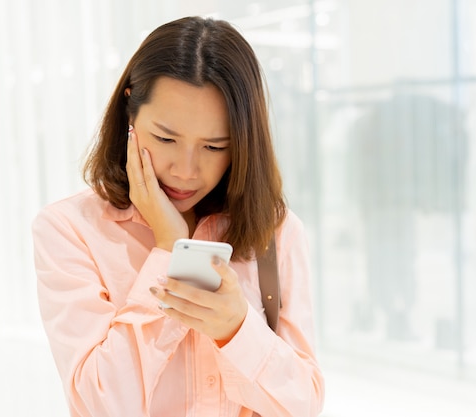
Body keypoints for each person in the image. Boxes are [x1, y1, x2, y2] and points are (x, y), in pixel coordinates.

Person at [32, 16, 324, 417]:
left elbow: (304, 404)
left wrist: (236, 329)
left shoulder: (276, 232)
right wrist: (169, 252)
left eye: (214, 146)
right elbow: (99, 404)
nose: (186, 171)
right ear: (130, 115)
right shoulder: (70, 230)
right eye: (166, 139)